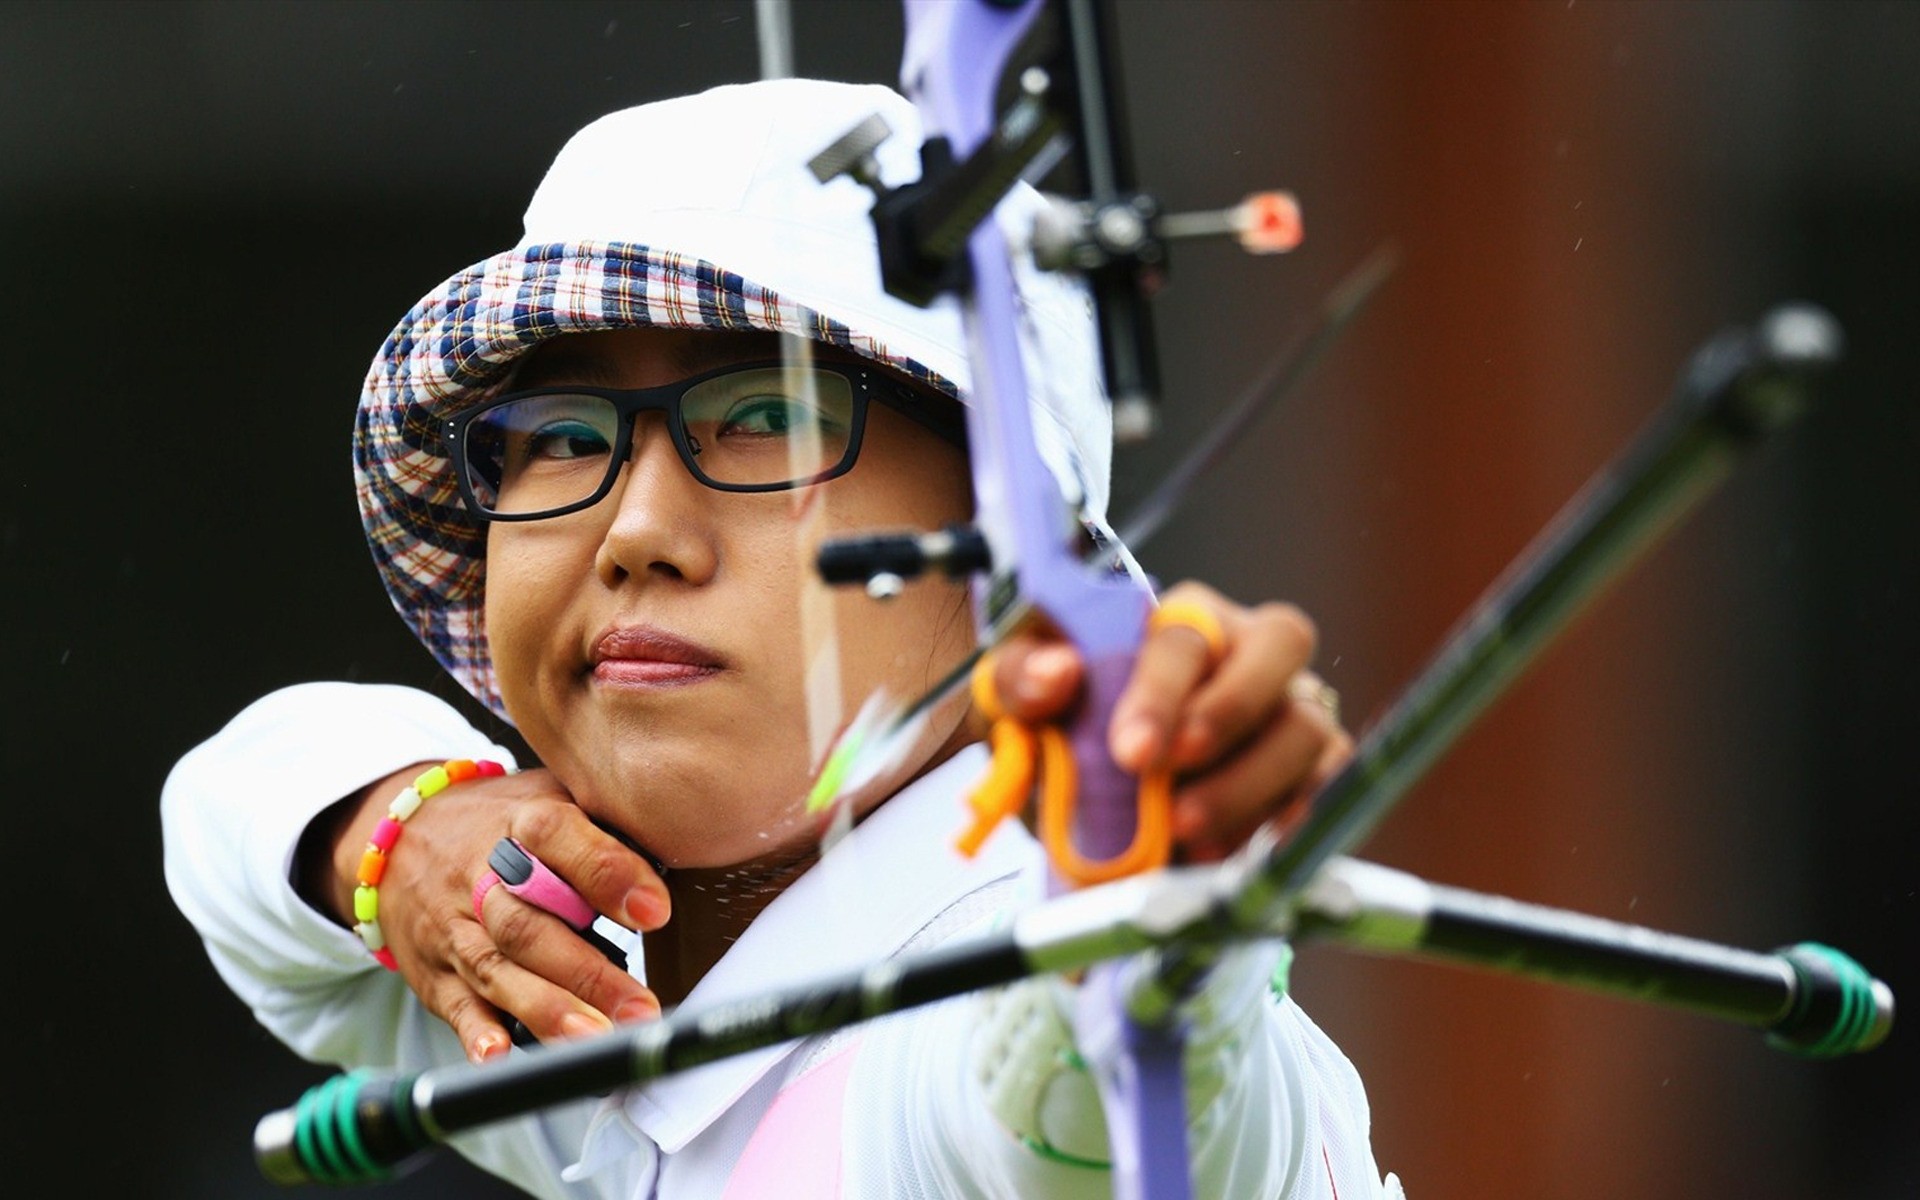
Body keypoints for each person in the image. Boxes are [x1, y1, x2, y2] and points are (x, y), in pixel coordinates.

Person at [163, 79, 1401, 1199]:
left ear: (1008, 550)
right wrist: (405, 835)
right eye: (566, 433)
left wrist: (1145, 899)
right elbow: (227, 810)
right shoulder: (585, 975)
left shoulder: (958, 1018)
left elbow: (1095, 1100)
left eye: (769, 416)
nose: (637, 528)